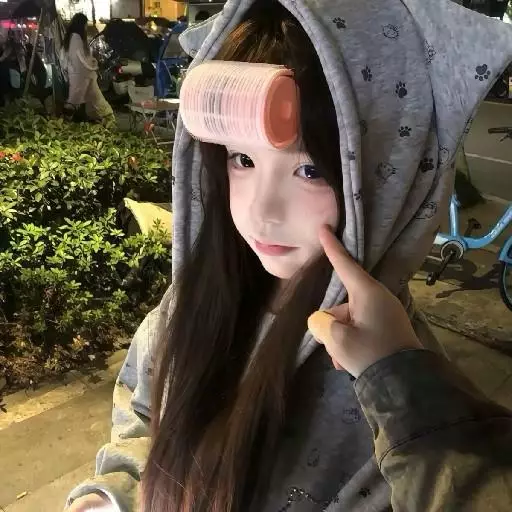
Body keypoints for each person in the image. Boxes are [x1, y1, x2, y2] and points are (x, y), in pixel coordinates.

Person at [64, 0, 512, 511]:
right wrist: (110, 497)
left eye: (310, 170)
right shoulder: (197, 296)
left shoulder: (397, 418)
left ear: (389, 178)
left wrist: (394, 382)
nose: (261, 210)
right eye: (242, 158)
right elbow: (144, 414)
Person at [61, 13, 113, 123]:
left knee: (89, 99)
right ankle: (64, 122)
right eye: (85, 24)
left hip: (83, 75)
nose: (86, 27)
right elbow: (81, 58)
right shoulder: (76, 38)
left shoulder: (73, 37)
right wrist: (93, 65)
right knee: (76, 101)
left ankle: (105, 119)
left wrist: (92, 64)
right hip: (81, 76)